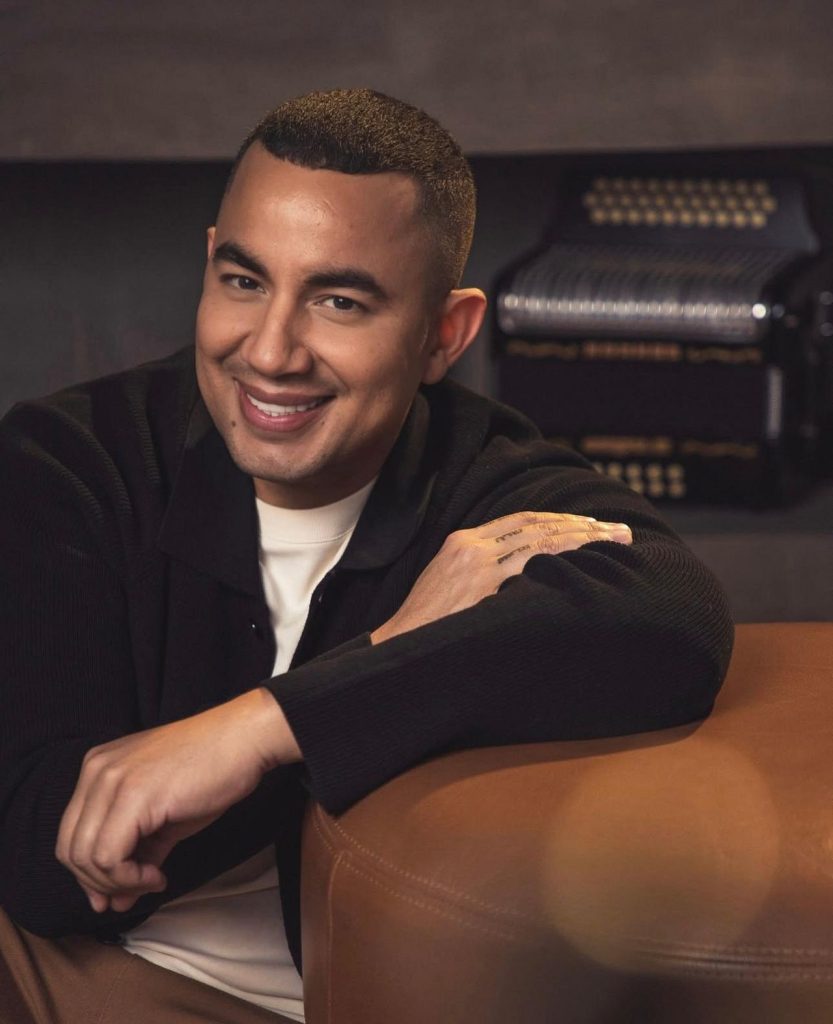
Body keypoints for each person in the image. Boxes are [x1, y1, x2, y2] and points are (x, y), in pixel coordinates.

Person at [0, 89, 733, 1023]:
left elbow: (670, 615)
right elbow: (41, 861)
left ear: (442, 335)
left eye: (338, 301)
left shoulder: (485, 476)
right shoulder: (70, 461)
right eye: (243, 281)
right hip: (95, 977)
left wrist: (258, 731)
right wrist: (389, 649)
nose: (270, 352)